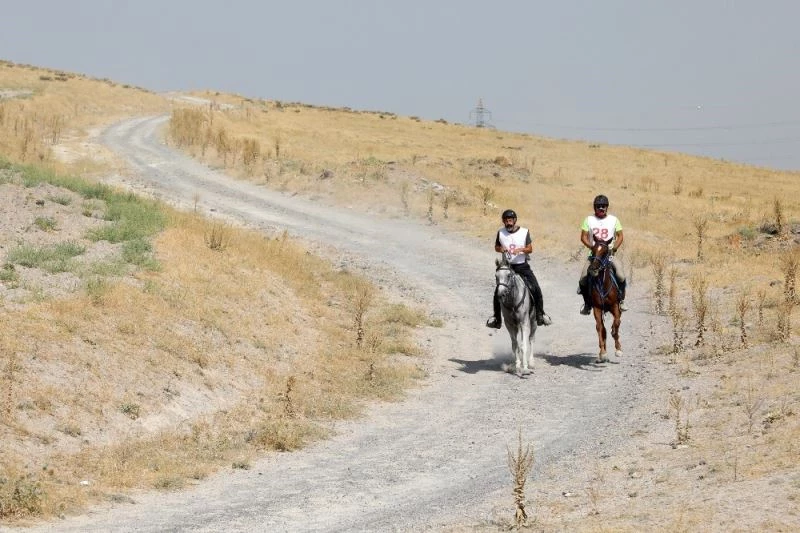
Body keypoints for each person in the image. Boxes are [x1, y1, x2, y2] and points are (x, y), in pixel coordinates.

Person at [486, 209, 552, 328]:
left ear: (515, 220)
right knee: (498, 292)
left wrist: (520, 250)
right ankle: (496, 318)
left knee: (536, 287)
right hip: (507, 267)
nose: (508, 223)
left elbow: (530, 249)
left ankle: (540, 314)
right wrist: (501, 249)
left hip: (522, 266)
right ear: (503, 221)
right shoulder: (500, 233)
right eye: (506, 221)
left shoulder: (524, 232)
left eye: (510, 220)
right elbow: (496, 247)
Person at [578, 194, 628, 315]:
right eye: (598, 206)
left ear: (607, 207)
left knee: (621, 275)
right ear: (594, 207)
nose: (601, 208)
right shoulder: (588, 220)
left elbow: (620, 236)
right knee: (583, 278)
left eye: (604, 206)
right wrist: (592, 247)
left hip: (609, 255)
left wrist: (614, 248)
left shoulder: (614, 220)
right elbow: (583, 237)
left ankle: (621, 300)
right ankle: (587, 304)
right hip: (594, 256)